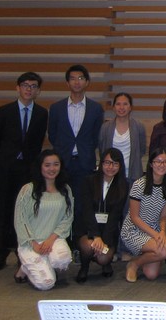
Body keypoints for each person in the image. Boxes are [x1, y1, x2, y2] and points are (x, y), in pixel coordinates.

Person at [0, 72, 48, 272]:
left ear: (38, 91)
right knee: (4, 211)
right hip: (6, 169)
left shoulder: (42, 113)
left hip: (28, 170)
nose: (28, 89)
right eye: (25, 85)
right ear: (17, 88)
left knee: (24, 213)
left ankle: (21, 253)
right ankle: (0, 253)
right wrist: (5, 161)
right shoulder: (5, 111)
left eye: (33, 86)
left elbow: (38, 141)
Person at [48, 64, 104, 218]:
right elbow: (53, 135)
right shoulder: (56, 108)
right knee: (59, 202)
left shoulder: (96, 108)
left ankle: (78, 239)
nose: (76, 82)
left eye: (80, 78)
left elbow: (96, 136)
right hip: (62, 162)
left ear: (87, 82)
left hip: (84, 163)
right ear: (67, 83)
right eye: (72, 79)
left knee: (81, 204)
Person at [13, 149, 74, 290]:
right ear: (40, 166)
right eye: (47, 165)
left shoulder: (65, 189)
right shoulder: (28, 190)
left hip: (53, 239)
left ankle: (28, 265)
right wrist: (33, 244)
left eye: (56, 164)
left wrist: (50, 239)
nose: (52, 169)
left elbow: (68, 217)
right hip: (30, 242)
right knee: (46, 284)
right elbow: (20, 220)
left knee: (62, 259)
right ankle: (27, 266)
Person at [74, 148, 128, 283]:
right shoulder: (89, 181)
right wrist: (96, 236)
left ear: (120, 166)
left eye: (115, 164)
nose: (111, 167)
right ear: (101, 163)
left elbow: (115, 215)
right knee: (88, 245)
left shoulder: (123, 185)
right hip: (88, 228)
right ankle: (84, 267)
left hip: (108, 230)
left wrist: (103, 240)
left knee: (103, 257)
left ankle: (106, 264)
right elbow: (87, 211)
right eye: (107, 163)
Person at [120, 147, 166, 282]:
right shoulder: (139, 185)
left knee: (151, 275)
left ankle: (142, 256)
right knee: (165, 251)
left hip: (154, 230)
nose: (162, 165)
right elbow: (134, 217)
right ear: (151, 164)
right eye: (158, 161)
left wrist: (161, 232)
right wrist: (156, 235)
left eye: (165, 162)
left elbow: (163, 217)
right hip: (134, 230)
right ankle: (134, 264)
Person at [99, 92, 146, 184]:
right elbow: (102, 150)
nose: (121, 107)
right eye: (118, 104)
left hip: (132, 175)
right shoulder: (105, 127)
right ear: (113, 107)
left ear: (130, 107)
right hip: (111, 174)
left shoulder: (138, 126)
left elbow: (141, 150)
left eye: (125, 104)